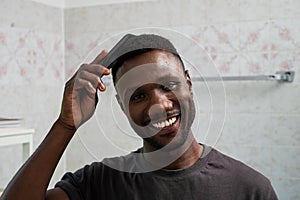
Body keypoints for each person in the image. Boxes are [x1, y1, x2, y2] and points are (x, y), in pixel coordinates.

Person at [0, 34, 278, 200]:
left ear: (189, 84)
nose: (158, 105)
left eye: (168, 85)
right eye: (138, 96)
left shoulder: (250, 189)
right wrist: (65, 124)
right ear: (122, 107)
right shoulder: (102, 182)